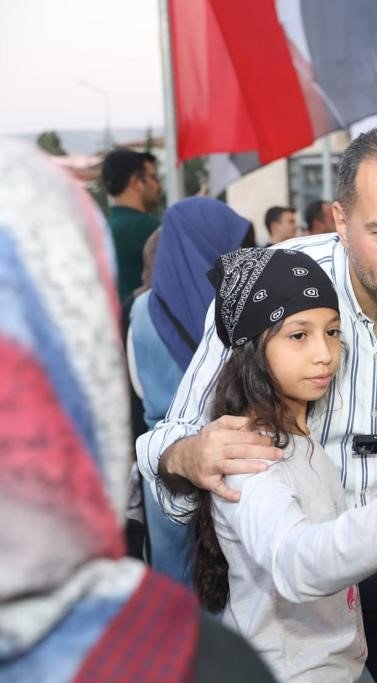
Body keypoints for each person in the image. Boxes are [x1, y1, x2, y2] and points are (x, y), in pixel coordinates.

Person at [138, 123, 377, 683]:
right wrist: (188, 454)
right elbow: (168, 439)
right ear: (341, 222)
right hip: (283, 579)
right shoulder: (272, 284)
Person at [0, 137, 274, 683]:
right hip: (220, 464)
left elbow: (124, 388)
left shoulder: (141, 310)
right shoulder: (228, 315)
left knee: (171, 564)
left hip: (158, 468)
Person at [193, 247, 377, 682]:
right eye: (298, 335)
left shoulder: (299, 436)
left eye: (332, 332)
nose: (324, 353)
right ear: (252, 346)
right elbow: (296, 563)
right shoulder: (249, 454)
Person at [127, 197, 255, 583]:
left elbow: (135, 384)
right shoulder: (237, 306)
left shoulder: (138, 310)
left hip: (163, 467)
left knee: (174, 581)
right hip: (233, 463)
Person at [102, 148, 162, 309]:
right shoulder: (148, 229)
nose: (159, 185)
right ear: (136, 182)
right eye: (153, 177)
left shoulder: (104, 227)